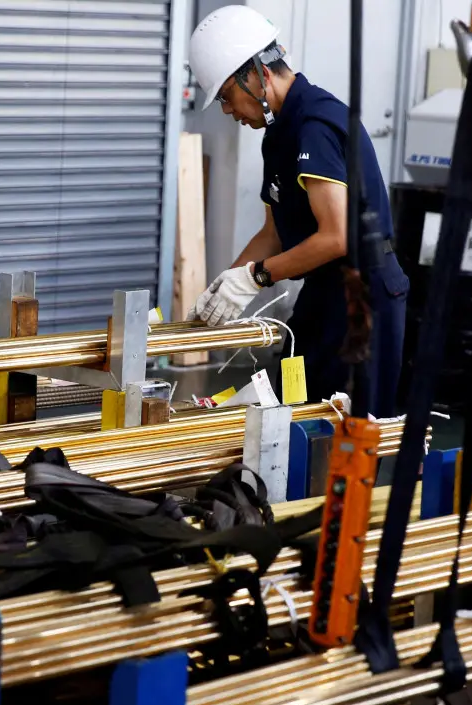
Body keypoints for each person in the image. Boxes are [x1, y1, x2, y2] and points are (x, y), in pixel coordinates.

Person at [188, 5, 409, 415]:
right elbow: (273, 233)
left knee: (340, 431)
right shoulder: (278, 134)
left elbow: (335, 236)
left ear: (257, 74)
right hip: (326, 293)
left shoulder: (316, 125)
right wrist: (225, 286)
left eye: (226, 96)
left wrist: (257, 277)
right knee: (292, 407)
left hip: (363, 301)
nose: (226, 110)